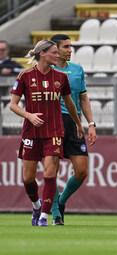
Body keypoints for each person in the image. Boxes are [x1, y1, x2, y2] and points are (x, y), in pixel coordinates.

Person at [9, 40, 84, 227]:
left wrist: (78, 123)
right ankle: (36, 205)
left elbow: (69, 103)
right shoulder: (25, 76)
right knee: (28, 178)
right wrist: (29, 115)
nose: (57, 56)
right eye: (54, 53)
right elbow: (13, 104)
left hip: (54, 131)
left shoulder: (61, 78)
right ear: (42, 54)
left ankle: (44, 216)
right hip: (31, 132)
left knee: (50, 173)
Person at [49, 34, 97, 225]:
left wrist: (91, 124)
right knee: (52, 167)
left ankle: (60, 201)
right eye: (66, 47)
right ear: (55, 49)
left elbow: (83, 99)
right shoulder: (46, 70)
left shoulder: (77, 70)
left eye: (71, 46)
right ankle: (55, 214)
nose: (70, 50)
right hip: (52, 122)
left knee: (82, 170)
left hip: (73, 122)